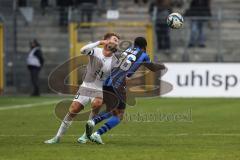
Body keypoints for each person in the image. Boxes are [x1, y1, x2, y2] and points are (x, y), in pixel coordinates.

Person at [85, 37, 166, 144]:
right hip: (118, 85)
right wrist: (163, 66)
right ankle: (97, 133)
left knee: (112, 110)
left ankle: (92, 121)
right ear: (145, 46)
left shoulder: (127, 51)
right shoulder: (143, 54)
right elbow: (153, 68)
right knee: (119, 115)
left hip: (107, 82)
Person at [44, 32, 120, 144]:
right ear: (107, 41)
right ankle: (57, 137)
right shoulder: (96, 51)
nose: (116, 42)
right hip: (86, 86)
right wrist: (99, 42)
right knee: (73, 110)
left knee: (97, 104)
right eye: (114, 39)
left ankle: (85, 135)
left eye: (117, 41)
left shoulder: (115, 61)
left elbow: (117, 76)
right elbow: (83, 50)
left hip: (98, 88)